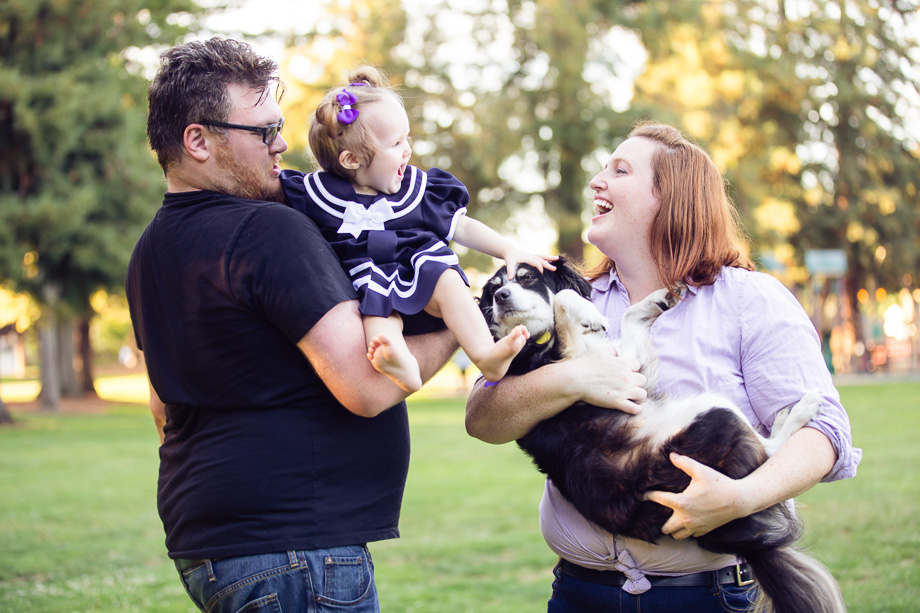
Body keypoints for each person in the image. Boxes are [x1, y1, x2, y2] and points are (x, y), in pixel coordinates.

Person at [465, 122, 861, 612]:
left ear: (668, 198)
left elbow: (824, 431)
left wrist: (743, 497)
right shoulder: (569, 299)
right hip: (580, 593)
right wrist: (568, 378)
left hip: (708, 596)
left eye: (620, 169)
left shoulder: (749, 299)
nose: (597, 181)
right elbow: (482, 417)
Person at [126, 38, 457, 613]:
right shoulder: (267, 231)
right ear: (197, 140)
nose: (281, 144)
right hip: (298, 552)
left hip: (213, 548)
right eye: (261, 132)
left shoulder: (149, 250)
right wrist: (459, 319)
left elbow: (161, 408)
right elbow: (368, 387)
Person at [281, 66, 555, 393]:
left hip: (421, 269)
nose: (408, 149)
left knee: (448, 280)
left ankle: (485, 353)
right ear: (351, 160)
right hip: (369, 280)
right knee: (377, 315)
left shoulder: (416, 189)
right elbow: (265, 194)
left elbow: (461, 226)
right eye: (396, 143)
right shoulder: (314, 195)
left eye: (406, 137)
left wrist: (507, 250)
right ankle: (401, 363)